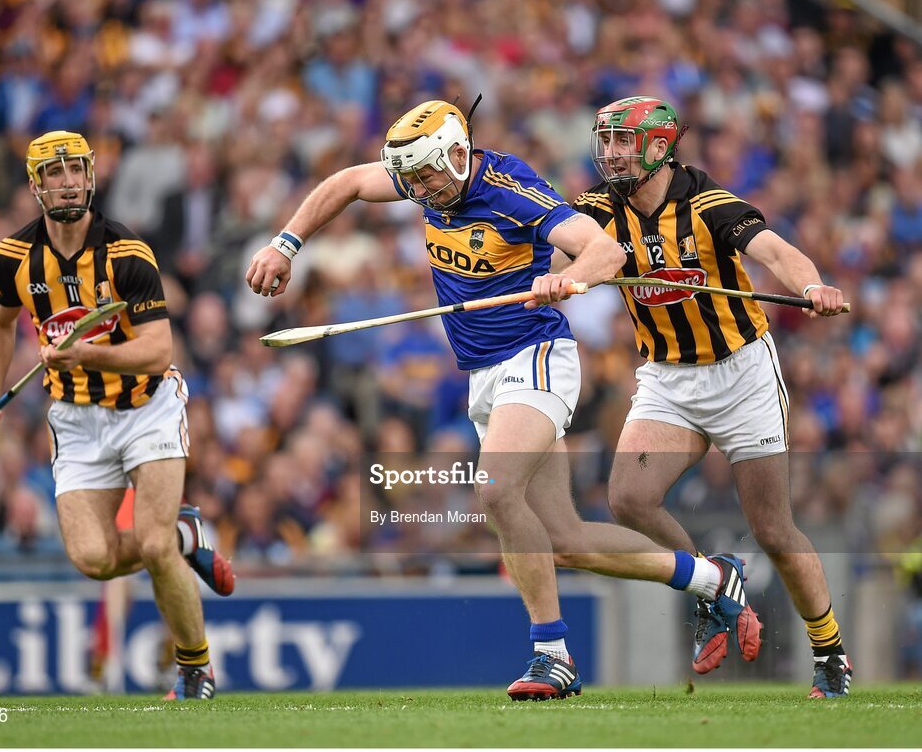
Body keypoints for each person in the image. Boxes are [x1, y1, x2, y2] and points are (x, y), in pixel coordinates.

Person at [246, 99, 762, 700]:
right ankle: (711, 577)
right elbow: (349, 183)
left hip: (537, 358)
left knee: (494, 490)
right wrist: (286, 243)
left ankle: (552, 653)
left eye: (427, 177)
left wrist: (569, 278)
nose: (417, 190)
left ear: (459, 154)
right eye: (410, 180)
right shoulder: (425, 176)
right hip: (485, 374)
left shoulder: (508, 187)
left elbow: (604, 250)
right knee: (567, 540)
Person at [571, 95, 852, 697]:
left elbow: (775, 250)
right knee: (627, 498)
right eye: (608, 141)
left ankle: (830, 655)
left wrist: (812, 284)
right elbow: (561, 246)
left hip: (741, 374)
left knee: (773, 529)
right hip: (668, 379)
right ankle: (712, 582)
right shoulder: (596, 208)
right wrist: (551, 276)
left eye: (625, 142)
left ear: (659, 147)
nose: (613, 154)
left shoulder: (708, 203)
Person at [0, 130, 235, 701]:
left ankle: (194, 671)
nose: (68, 182)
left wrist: (85, 352)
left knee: (153, 548)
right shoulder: (14, 256)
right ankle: (187, 535)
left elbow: (160, 350)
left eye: (76, 170)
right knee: (93, 558)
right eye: (54, 173)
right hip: (76, 419)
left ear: (91, 176)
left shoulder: (126, 253)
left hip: (146, 406)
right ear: (36, 185)